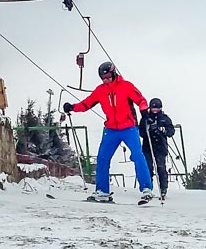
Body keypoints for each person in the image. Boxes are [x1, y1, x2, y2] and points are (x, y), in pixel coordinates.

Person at [63, 61, 154, 203]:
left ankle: (146, 188)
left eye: (108, 77)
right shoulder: (100, 90)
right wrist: (72, 107)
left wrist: (144, 111)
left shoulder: (126, 86)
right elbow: (87, 104)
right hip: (111, 129)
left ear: (113, 73)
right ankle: (102, 191)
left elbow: (140, 99)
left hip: (129, 127)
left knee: (137, 155)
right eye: (103, 78)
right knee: (102, 158)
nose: (106, 81)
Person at [139, 97, 175, 199]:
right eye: (153, 108)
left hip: (160, 147)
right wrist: (147, 130)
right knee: (148, 168)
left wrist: (163, 130)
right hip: (148, 147)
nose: (155, 111)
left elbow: (171, 131)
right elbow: (140, 132)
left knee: (161, 168)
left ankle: (163, 189)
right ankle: (147, 188)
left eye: (157, 109)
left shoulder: (164, 118)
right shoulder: (145, 118)